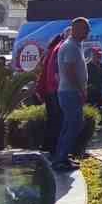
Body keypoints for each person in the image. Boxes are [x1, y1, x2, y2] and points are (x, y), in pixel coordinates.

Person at [52, 18, 90, 172]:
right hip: (70, 92)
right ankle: (60, 159)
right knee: (74, 124)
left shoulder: (75, 45)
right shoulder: (70, 47)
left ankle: (62, 157)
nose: (88, 32)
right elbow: (69, 70)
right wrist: (80, 89)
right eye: (85, 29)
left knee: (69, 125)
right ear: (75, 29)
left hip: (70, 92)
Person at [36, 31, 66, 154]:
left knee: (52, 121)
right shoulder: (59, 49)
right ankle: (54, 149)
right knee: (57, 121)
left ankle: (48, 147)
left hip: (48, 89)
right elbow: (57, 73)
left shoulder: (51, 50)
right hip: (55, 90)